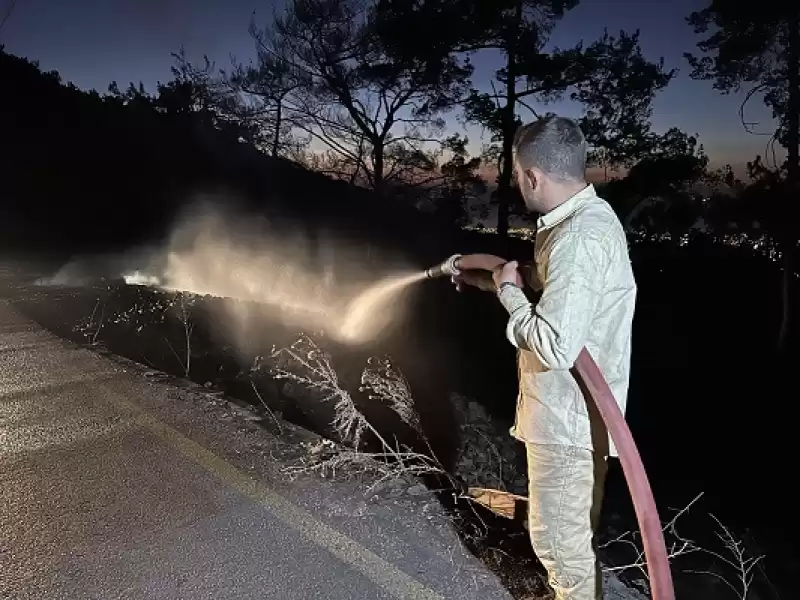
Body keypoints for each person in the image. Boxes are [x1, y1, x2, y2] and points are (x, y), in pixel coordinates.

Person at [455, 116, 637, 600]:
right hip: (570, 418)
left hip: (569, 423)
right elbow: (559, 289)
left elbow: (555, 343)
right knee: (563, 538)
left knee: (560, 546)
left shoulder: (578, 237)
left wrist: (512, 296)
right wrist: (493, 282)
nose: (517, 184)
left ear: (532, 176)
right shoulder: (580, 225)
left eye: (517, 176)